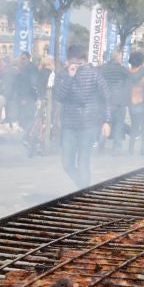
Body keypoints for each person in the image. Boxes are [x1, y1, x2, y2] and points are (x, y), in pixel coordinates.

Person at [53, 44, 112, 189]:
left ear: (84, 60)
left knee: (83, 161)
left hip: (89, 124)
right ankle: (83, 188)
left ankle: (83, 191)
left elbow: (106, 98)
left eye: (79, 61)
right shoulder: (63, 74)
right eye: (73, 60)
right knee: (67, 163)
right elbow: (59, 96)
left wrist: (106, 121)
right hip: (69, 124)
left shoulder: (94, 74)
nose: (76, 63)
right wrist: (69, 77)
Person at [98, 51, 130, 155]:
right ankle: (117, 148)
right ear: (117, 58)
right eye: (121, 57)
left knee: (105, 123)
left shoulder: (102, 69)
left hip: (106, 101)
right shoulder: (122, 70)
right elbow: (129, 83)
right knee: (119, 124)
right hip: (119, 101)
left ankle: (101, 144)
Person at [126, 51, 144, 156]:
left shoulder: (127, 72)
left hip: (132, 102)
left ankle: (131, 148)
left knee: (134, 126)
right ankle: (143, 148)